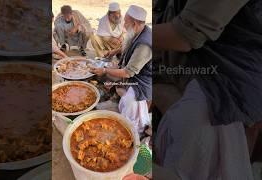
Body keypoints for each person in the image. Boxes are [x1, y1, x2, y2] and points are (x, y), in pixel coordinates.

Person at [154, 0, 262, 179]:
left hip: (231, 76)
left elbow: (184, 36)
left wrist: (136, 37)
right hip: (182, 67)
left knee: (196, 121)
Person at [91, 5, 152, 134]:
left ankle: (131, 129)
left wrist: (106, 70)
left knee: (129, 103)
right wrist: (114, 51)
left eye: (126, 22)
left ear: (135, 23)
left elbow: (128, 72)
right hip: (130, 73)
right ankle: (115, 96)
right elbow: (128, 45)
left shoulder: (144, 44)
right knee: (104, 74)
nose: (123, 24)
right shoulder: (139, 30)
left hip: (141, 82)